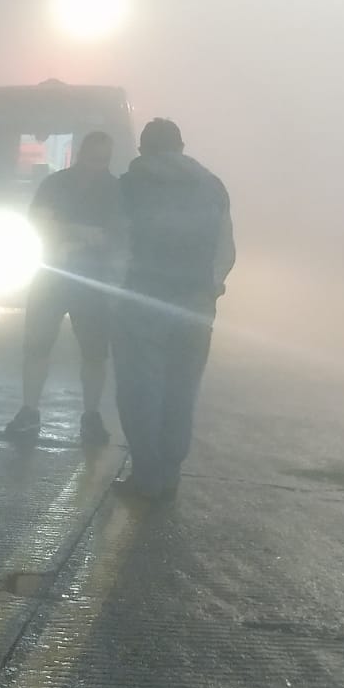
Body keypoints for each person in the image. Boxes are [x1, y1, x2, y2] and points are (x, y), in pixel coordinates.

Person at [112, 118, 236, 503]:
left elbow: (120, 243)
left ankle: (146, 476)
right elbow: (225, 248)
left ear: (143, 149)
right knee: (182, 388)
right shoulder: (213, 186)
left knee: (140, 389)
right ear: (182, 147)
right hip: (196, 303)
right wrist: (211, 288)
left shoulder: (130, 185)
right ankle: (170, 474)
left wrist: (116, 290)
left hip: (143, 299)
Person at [5, 131, 123, 445]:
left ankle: (89, 415)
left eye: (103, 160)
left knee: (94, 352)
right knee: (37, 346)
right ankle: (32, 410)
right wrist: (86, 234)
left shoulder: (105, 189)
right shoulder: (103, 189)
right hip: (66, 277)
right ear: (81, 154)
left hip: (79, 279)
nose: (98, 165)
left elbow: (116, 235)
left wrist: (64, 231)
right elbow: (38, 224)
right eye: (94, 158)